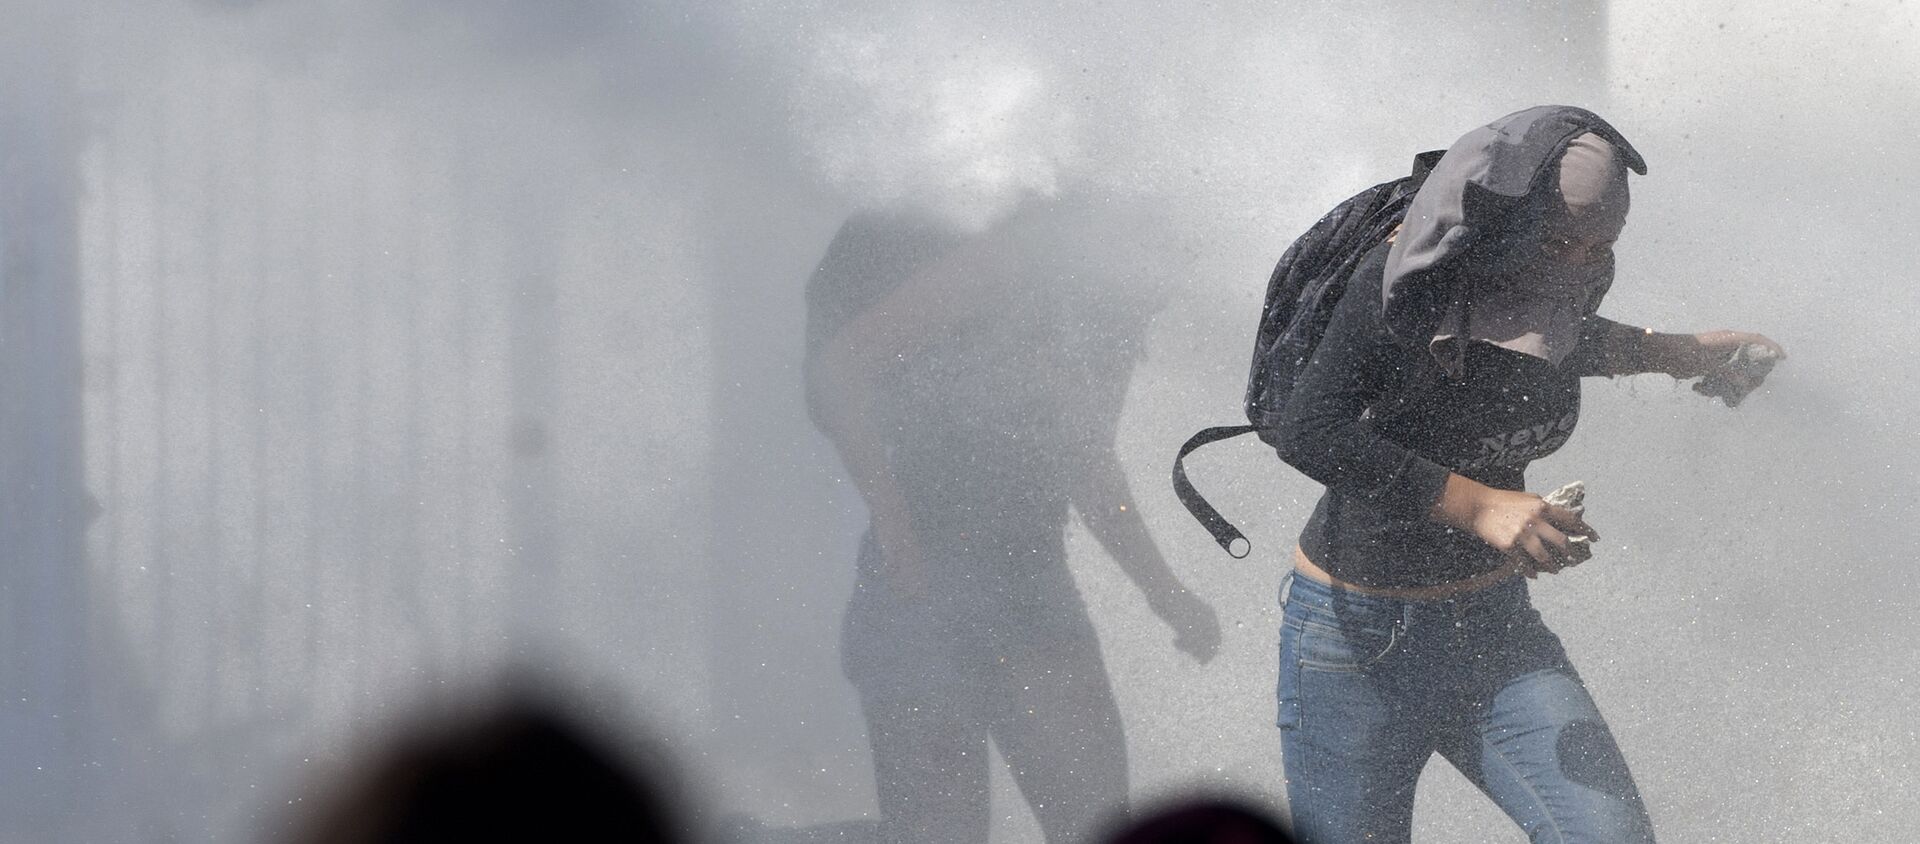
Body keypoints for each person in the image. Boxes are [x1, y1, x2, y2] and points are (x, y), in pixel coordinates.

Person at [1265, 106, 1783, 843]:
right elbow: (1310, 430)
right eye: (1559, 241)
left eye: (1598, 247)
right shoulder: (1399, 279)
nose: (1576, 265)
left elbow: (1546, 341)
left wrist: (1677, 352)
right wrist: (1478, 506)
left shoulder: (1545, 279)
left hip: (1494, 635)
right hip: (1355, 645)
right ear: (1511, 220)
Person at [805, 192, 1221, 844]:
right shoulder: (999, 265)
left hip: (1032, 583)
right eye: (1170, 256)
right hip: (916, 590)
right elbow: (840, 368)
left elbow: (1086, 463)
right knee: (941, 833)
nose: (1173, 283)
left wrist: (1165, 593)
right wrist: (896, 528)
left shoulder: (1111, 317)